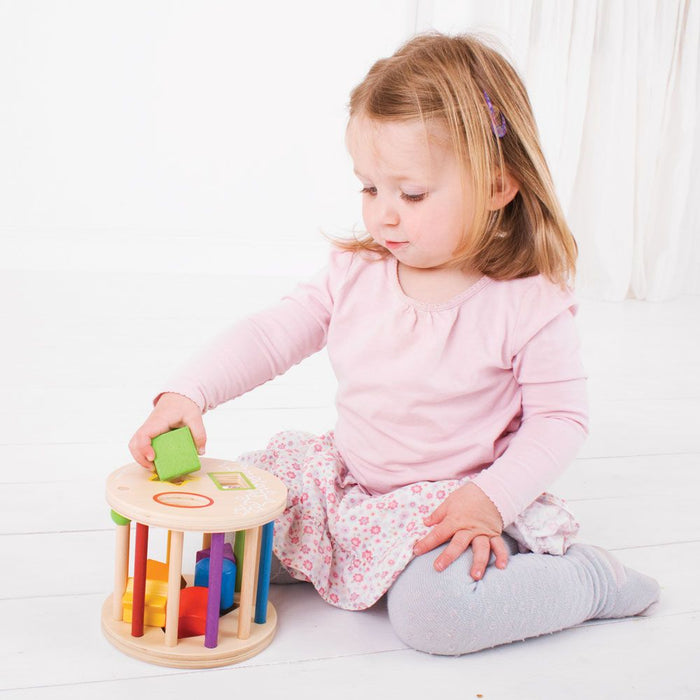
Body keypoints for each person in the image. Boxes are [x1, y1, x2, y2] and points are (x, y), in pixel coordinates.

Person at [128, 32, 659, 655]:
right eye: (369, 188)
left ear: (497, 188)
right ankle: (305, 554)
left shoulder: (525, 302)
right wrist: (189, 392)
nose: (382, 214)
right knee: (237, 516)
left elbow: (560, 419)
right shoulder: (359, 271)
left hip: (452, 501)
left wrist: (490, 499)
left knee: (435, 616)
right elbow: (271, 333)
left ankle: (588, 581)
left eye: (410, 194)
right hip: (348, 479)